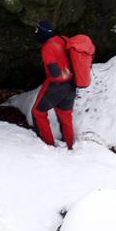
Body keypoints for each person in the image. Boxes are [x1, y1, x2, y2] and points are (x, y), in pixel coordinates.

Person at [32, 20, 76, 149]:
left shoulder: (48, 47)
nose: (35, 33)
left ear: (42, 32)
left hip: (57, 86)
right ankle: (70, 145)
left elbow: (55, 73)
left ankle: (48, 144)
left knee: (38, 112)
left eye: (37, 31)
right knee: (65, 115)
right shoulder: (63, 39)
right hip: (72, 84)